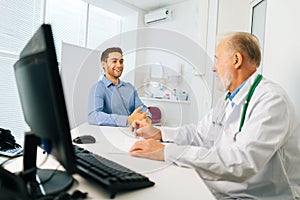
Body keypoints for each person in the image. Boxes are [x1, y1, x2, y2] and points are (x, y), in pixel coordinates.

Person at [129, 32, 300, 199]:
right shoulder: (228, 100)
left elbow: (242, 162)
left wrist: (167, 151)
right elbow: (199, 134)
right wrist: (159, 133)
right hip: (220, 189)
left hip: (255, 195)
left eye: (217, 59)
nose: (213, 67)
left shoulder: (271, 100)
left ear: (236, 60)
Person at [88, 47, 151, 127]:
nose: (119, 65)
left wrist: (147, 118)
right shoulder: (98, 88)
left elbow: (141, 108)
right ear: (103, 63)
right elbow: (94, 116)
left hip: (132, 133)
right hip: (111, 135)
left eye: (121, 61)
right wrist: (128, 120)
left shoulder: (129, 88)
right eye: (114, 61)